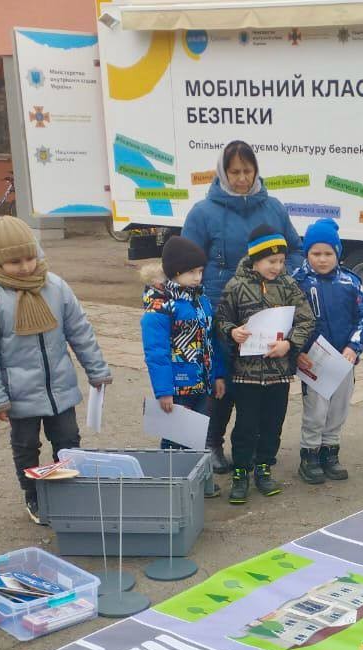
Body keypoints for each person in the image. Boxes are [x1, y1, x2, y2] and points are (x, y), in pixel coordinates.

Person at [0, 217, 112, 522]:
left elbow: (80, 331)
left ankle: (66, 490)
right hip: (19, 394)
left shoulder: (55, 287)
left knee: (68, 441)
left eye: (29, 258)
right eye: (14, 262)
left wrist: (97, 369)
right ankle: (34, 494)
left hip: (60, 389)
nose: (25, 267)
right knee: (26, 446)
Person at [182, 140, 303, 475]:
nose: (241, 178)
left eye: (247, 171)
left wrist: (283, 278)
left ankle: (254, 447)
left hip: (269, 310)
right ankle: (212, 441)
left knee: (259, 382)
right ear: (223, 172)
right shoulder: (203, 213)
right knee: (222, 379)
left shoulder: (273, 208)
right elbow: (188, 262)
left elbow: (295, 249)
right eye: (234, 172)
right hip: (222, 307)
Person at [215, 226, 315, 504]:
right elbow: (221, 320)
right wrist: (232, 332)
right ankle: (241, 472)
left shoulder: (288, 285)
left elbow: (306, 320)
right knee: (246, 425)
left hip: (278, 374)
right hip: (246, 374)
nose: (277, 267)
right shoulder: (236, 286)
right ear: (255, 259)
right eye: (271, 261)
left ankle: (264, 467)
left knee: (273, 424)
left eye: (281, 261)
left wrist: (289, 344)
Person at [140, 236, 225, 499]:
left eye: (200, 271)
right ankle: (169, 486)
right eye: (191, 272)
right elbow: (156, 353)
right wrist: (164, 390)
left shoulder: (201, 299)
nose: (198, 277)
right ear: (175, 272)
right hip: (178, 386)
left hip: (202, 382)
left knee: (198, 435)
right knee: (174, 438)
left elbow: (212, 340)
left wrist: (218, 375)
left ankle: (196, 482)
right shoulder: (160, 307)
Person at [293, 218, 363, 484]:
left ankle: (330, 450)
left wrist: (353, 347)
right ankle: (310, 454)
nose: (322, 259)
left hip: (343, 359)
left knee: (338, 407)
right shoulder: (298, 282)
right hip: (313, 360)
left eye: (328, 253)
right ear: (307, 253)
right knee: (315, 410)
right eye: (316, 253)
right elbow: (290, 320)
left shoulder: (351, 282)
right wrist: (297, 352)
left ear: (337, 253)